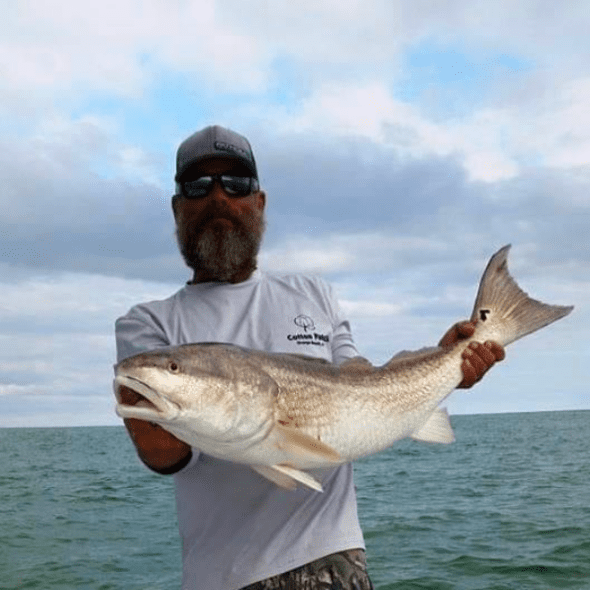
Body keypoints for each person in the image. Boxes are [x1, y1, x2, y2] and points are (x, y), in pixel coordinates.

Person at [114, 125, 505, 590]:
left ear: (259, 203)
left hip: (333, 560)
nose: (218, 198)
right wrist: (151, 414)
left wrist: (445, 362)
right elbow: (165, 455)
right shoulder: (148, 327)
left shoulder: (313, 294)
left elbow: (363, 379)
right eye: (198, 187)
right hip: (223, 578)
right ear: (178, 209)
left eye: (236, 185)